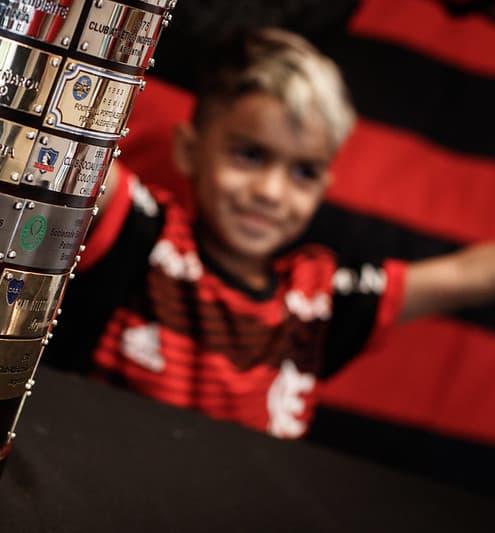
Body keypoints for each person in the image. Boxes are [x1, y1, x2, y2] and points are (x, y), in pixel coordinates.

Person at [42, 28, 495, 439]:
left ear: (324, 187)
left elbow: (462, 275)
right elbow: (57, 140)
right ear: (189, 151)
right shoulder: (142, 234)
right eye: (251, 155)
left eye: (304, 171)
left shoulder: (317, 303)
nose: (271, 192)